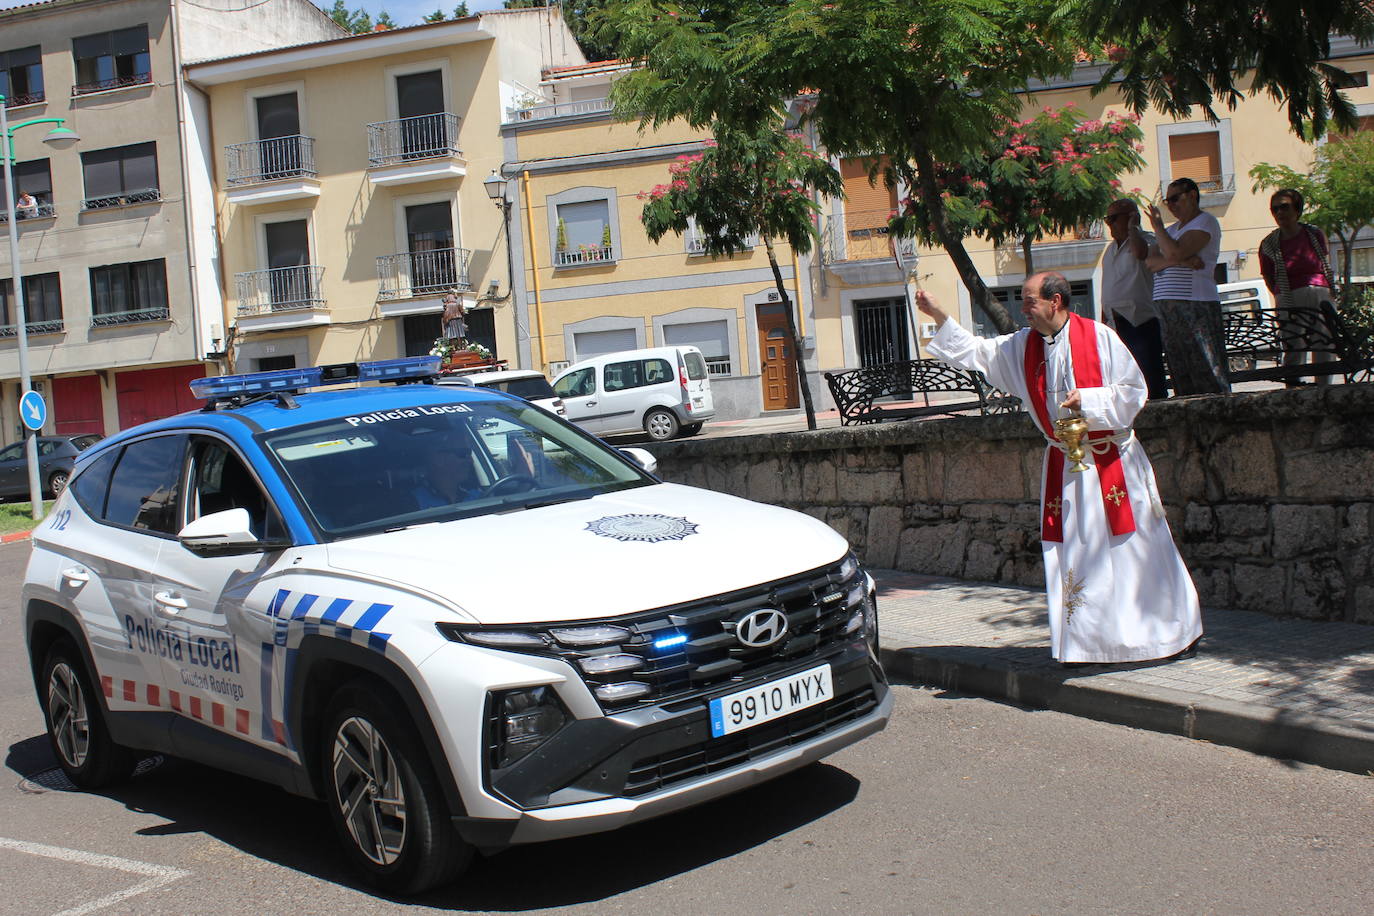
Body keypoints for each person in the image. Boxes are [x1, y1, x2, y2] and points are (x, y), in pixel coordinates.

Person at [915, 271, 1202, 665]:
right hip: (1067, 467)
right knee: (1081, 553)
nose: (1023, 308)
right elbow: (978, 351)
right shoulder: (1023, 346)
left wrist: (1088, 399)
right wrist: (940, 315)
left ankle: (1164, 634)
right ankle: (1093, 643)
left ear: (1056, 301)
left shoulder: (1100, 338)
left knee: (1135, 549)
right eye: (1022, 300)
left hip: (1111, 459)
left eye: (1030, 300)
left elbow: (1135, 392)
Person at [1146, 177, 1231, 395]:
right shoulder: (1171, 230)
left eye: (1175, 199)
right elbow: (1151, 262)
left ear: (1192, 195)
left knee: (1206, 368)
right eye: (1167, 201)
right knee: (1180, 370)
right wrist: (1182, 260)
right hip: (1168, 307)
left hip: (1195, 303)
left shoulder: (1205, 222)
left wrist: (1158, 228)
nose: (1171, 205)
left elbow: (1173, 252)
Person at [1258, 188, 1338, 386]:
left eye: (1284, 207)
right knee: (1293, 345)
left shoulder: (1314, 234)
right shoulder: (1268, 244)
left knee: (1324, 343)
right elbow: (1268, 276)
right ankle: (1294, 389)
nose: (1279, 213)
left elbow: (1323, 261)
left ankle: (1324, 388)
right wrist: (1285, 295)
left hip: (1319, 294)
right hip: (1287, 297)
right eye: (1274, 209)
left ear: (1297, 209)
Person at [1101, 199, 1168, 400]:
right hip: (1115, 321)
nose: (1110, 224)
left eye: (1113, 219)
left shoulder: (1146, 240)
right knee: (1123, 378)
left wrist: (1134, 228)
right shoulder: (1110, 249)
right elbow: (1107, 285)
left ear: (1131, 217)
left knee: (1150, 375)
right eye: (1107, 219)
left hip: (1140, 319)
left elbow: (1141, 254)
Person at [413, 441, 483, 508]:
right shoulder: (414, 501)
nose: (470, 461)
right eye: (463, 453)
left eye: (470, 454)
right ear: (439, 459)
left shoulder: (478, 497)